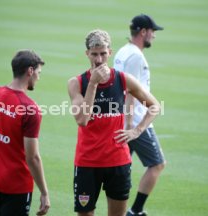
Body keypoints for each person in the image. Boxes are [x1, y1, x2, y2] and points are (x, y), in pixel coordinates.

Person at [68, 29, 161, 216]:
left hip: (118, 162)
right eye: (94, 54)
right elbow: (82, 120)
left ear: (110, 52)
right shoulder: (77, 83)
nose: (99, 59)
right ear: (87, 54)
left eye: (103, 53)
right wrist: (93, 84)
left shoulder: (123, 79)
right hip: (87, 163)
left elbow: (155, 106)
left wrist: (137, 131)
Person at [0, 50, 50, 216]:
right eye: (38, 73)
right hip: (16, 186)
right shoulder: (30, 109)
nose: (39, 78)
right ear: (30, 71)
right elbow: (32, 157)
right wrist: (44, 192)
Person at [113, 14, 166, 216]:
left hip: (125, 119)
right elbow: (131, 93)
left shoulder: (123, 51)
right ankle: (135, 211)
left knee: (122, 168)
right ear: (143, 31)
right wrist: (131, 127)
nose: (153, 36)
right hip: (136, 122)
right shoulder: (135, 55)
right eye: (152, 31)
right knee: (157, 164)